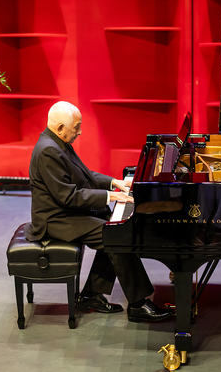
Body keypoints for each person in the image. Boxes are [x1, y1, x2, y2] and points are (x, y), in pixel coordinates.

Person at [29, 101, 171, 322]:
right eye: (76, 127)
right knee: (115, 234)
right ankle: (138, 304)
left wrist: (114, 183)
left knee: (112, 225)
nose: (80, 132)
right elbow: (68, 196)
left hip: (64, 213)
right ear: (60, 128)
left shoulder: (57, 142)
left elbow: (84, 176)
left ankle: (92, 295)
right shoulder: (48, 150)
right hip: (55, 220)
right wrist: (111, 196)